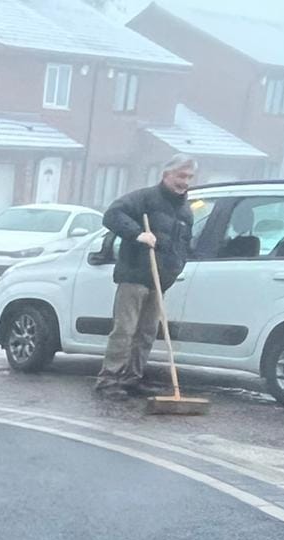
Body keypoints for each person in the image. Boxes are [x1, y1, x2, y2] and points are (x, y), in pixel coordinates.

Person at [94, 156, 196, 401]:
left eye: (189, 178)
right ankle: (109, 379)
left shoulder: (185, 210)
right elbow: (112, 215)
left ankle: (132, 378)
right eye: (180, 176)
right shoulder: (144, 198)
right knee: (125, 329)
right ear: (166, 175)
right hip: (134, 275)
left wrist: (176, 269)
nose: (185, 182)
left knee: (147, 332)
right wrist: (138, 234)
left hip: (160, 280)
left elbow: (182, 246)